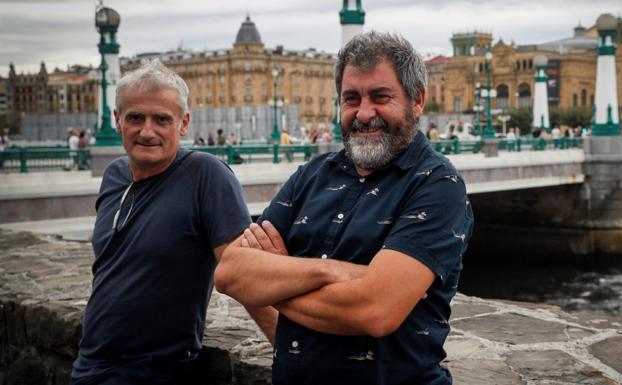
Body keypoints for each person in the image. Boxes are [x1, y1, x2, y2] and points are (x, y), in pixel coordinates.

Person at [215, 31, 474, 385]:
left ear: (417, 101)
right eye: (351, 98)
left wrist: (275, 281)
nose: (364, 113)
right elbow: (230, 273)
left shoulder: (437, 184)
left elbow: (375, 311)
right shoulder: (311, 175)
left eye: (380, 97)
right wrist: (335, 272)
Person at [70, 59, 252, 385]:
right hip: (90, 363)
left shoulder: (206, 174)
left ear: (183, 124)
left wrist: (290, 350)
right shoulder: (114, 175)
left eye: (161, 119)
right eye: (136, 118)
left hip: (154, 370)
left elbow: (245, 272)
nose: (147, 131)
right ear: (117, 121)